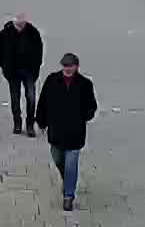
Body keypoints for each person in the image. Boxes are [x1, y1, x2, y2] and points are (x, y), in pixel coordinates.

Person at [34, 52, 97, 211]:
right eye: (65, 66)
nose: (67, 69)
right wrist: (41, 122)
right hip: (56, 131)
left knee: (71, 165)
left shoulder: (85, 84)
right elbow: (43, 102)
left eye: (70, 66)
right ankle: (67, 179)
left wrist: (85, 115)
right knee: (57, 158)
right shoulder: (52, 81)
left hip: (75, 133)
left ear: (76, 67)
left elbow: (92, 106)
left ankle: (68, 195)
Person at [0, 14, 43, 136]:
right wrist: (4, 67)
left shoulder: (33, 33)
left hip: (29, 72)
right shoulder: (6, 33)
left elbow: (39, 51)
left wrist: (36, 67)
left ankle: (30, 125)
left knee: (31, 98)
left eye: (22, 25)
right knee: (15, 100)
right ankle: (17, 124)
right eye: (18, 25)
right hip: (13, 73)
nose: (20, 28)